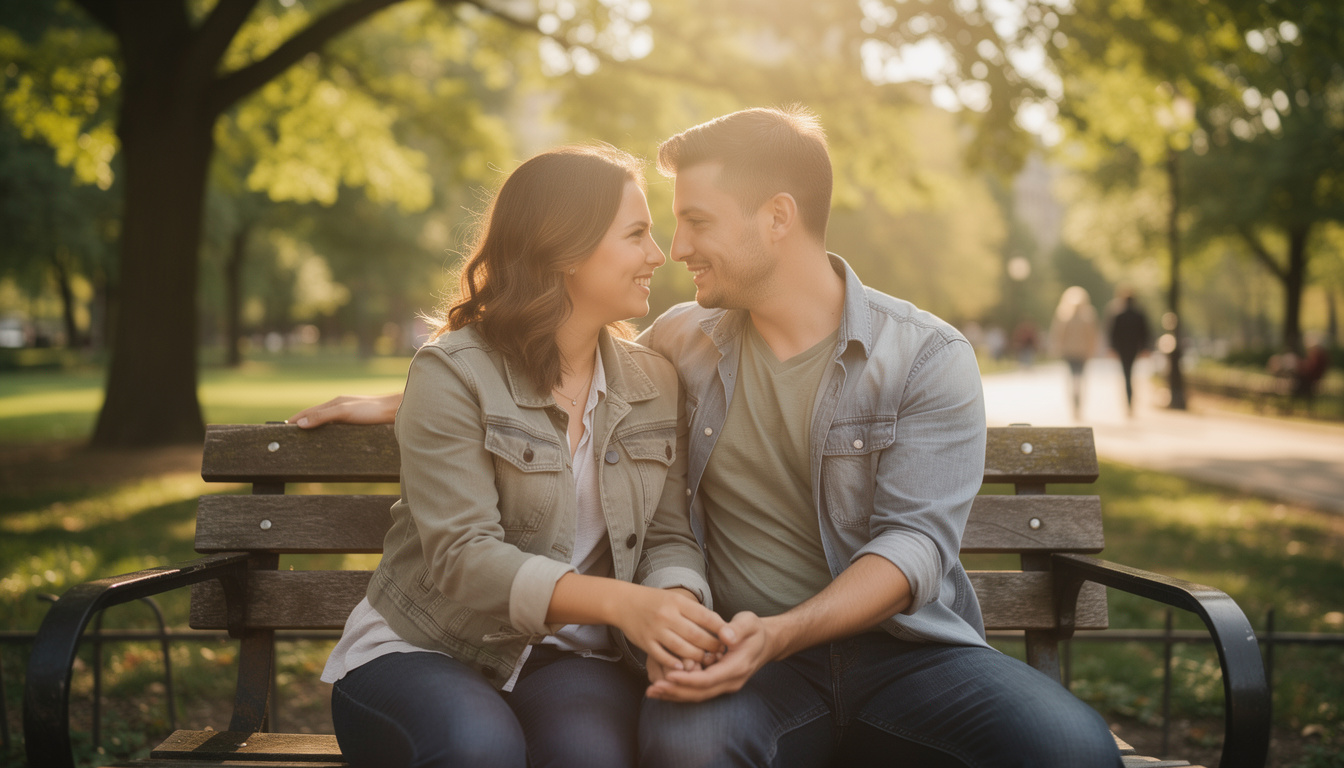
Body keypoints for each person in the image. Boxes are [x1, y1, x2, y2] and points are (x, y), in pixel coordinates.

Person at [295, 107, 1121, 767]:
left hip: (907, 655)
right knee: (678, 749)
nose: (672, 249)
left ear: (778, 218)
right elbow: (520, 370)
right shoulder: (683, 344)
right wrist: (413, 394)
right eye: (654, 228)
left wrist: (740, 621)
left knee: (1073, 752)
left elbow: (914, 548)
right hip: (738, 662)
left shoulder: (925, 358)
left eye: (692, 221)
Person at [316, 144, 723, 768]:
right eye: (637, 234)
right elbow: (461, 555)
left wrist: (677, 606)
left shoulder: (654, 381)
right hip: (423, 647)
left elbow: (667, 534)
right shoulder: (454, 370)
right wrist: (622, 603)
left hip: (568, 659)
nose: (657, 254)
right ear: (565, 251)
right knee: (479, 749)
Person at [1048, 286, 1099, 421]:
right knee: (1079, 380)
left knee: (1074, 380)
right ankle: (1077, 405)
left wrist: (1059, 348)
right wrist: (1091, 350)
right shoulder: (1087, 316)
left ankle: (1075, 406)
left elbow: (1059, 335)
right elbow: (1092, 336)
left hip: (1071, 352)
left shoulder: (1065, 315)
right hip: (1080, 353)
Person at [1107, 290, 1151, 416]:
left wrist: (1113, 348)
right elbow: (1145, 333)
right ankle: (1130, 401)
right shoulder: (1139, 314)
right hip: (1133, 349)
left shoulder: (1118, 314)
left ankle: (1129, 401)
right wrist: (1145, 349)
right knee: (1130, 374)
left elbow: (1113, 334)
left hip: (1122, 349)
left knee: (1127, 375)